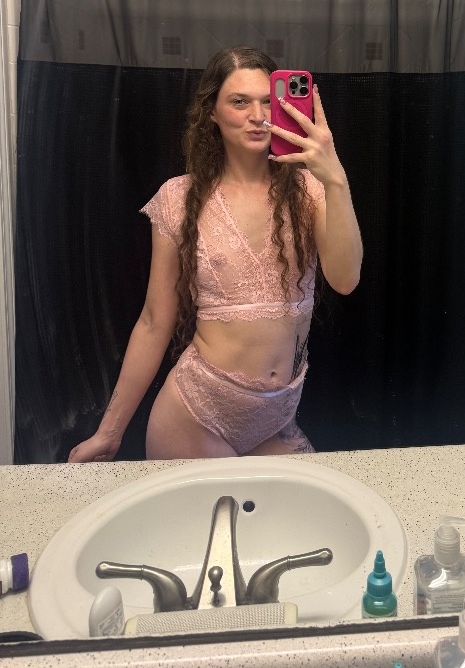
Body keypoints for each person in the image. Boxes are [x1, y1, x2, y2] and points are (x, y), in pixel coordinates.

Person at [68, 46, 362, 461]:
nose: (257, 115)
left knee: (313, 502)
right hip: (196, 416)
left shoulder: (309, 192)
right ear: (212, 112)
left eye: (267, 101)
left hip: (276, 419)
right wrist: (109, 433)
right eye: (239, 102)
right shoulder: (178, 198)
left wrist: (335, 179)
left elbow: (345, 279)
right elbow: (154, 322)